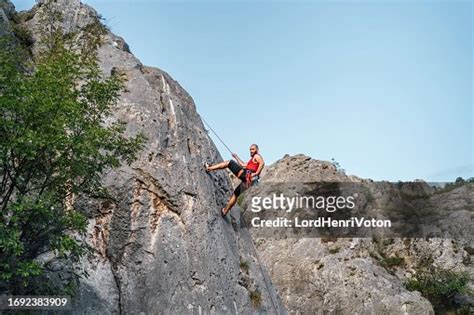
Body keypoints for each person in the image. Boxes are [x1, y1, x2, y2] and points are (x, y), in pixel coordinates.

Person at [205, 144, 264, 217]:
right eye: (250, 149)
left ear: (257, 150)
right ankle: (224, 211)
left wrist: (256, 173)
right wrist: (236, 156)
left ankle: (209, 168)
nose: (251, 151)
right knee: (236, 194)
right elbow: (242, 165)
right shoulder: (252, 161)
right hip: (248, 181)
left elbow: (262, 163)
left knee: (229, 163)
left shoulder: (257, 156)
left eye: (253, 149)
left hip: (247, 175)